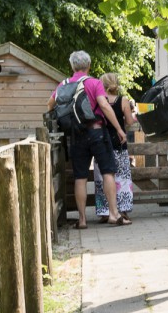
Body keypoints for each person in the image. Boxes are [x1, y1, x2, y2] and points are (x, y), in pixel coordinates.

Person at [48, 51, 129, 229]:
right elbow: (104, 105)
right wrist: (118, 129)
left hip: (76, 136)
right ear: (89, 65)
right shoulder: (94, 83)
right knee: (108, 171)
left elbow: (50, 104)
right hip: (97, 133)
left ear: (72, 66)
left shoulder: (64, 84)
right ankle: (114, 214)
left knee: (80, 177)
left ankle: (83, 220)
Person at [93, 73, 137, 223]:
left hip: (102, 143)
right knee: (122, 178)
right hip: (119, 143)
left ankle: (105, 212)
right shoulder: (123, 100)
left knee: (102, 178)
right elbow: (130, 121)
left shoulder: (99, 100)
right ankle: (122, 210)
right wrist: (133, 114)